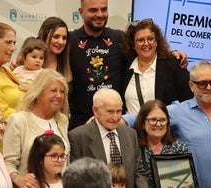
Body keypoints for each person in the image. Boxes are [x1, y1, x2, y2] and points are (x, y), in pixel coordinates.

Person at [68, 0, 189, 130]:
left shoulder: (118, 38)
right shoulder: (70, 40)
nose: (100, 14)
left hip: (118, 124)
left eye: (104, 9)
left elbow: (147, 53)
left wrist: (171, 55)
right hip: (81, 123)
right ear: (81, 12)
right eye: (93, 10)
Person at [123, 60, 211, 188]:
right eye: (202, 84)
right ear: (191, 85)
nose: (209, 87)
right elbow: (145, 117)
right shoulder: (179, 111)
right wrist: (116, 119)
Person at [68, 88, 148, 188]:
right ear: (95, 111)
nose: (115, 117)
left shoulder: (130, 134)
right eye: (110, 111)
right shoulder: (78, 137)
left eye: (119, 111)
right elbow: (77, 179)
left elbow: (138, 171)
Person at [3, 68, 70, 188]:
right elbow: (8, 163)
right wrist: (18, 179)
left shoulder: (62, 120)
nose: (59, 96)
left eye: (62, 91)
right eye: (53, 90)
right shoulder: (18, 121)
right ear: (38, 93)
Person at [120, 19, 193, 114]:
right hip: (131, 128)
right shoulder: (124, 67)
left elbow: (188, 101)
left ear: (157, 41)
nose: (146, 44)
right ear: (133, 45)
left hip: (165, 127)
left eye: (150, 39)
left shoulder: (173, 64)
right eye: (140, 40)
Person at [134, 99, 189, 188]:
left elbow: (186, 182)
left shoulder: (180, 148)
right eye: (153, 120)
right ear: (143, 124)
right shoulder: (135, 148)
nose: (158, 124)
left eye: (163, 120)